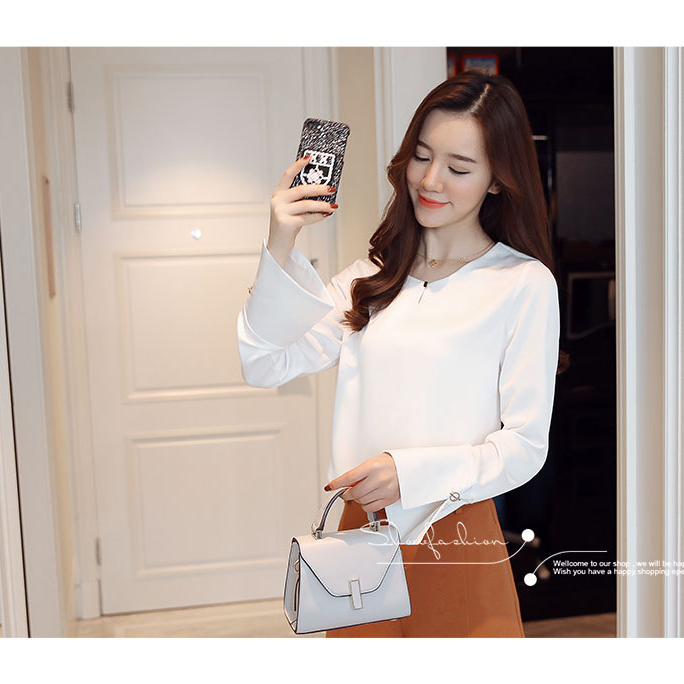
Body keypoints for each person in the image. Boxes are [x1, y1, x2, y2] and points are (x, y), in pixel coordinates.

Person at [236, 70, 565, 637]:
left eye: (459, 167)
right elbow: (264, 363)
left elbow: (525, 448)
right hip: (360, 539)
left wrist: (407, 473)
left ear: (496, 180)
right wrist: (281, 241)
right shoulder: (370, 277)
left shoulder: (523, 283)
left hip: (456, 532)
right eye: (421, 156)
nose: (430, 180)